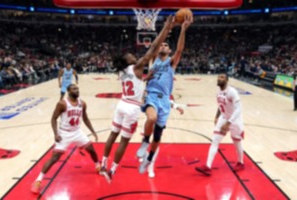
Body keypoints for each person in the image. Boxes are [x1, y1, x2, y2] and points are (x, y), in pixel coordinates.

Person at [100, 16, 177, 183]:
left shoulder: (122, 71)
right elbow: (155, 46)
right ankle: (112, 170)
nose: (134, 56)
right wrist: (166, 28)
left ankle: (103, 162)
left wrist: (145, 79)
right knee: (124, 141)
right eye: (131, 55)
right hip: (132, 108)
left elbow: (135, 82)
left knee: (113, 134)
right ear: (129, 61)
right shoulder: (137, 66)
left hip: (121, 104)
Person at [137, 16, 192, 174]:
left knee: (158, 136)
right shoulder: (153, 60)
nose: (163, 45)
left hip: (165, 101)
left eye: (166, 45)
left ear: (169, 50)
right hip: (152, 97)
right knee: (151, 118)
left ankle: (149, 159)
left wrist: (182, 29)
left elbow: (180, 49)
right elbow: (154, 46)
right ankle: (144, 142)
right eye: (162, 44)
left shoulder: (171, 62)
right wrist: (167, 27)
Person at [31, 84, 99, 193]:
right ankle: (38, 180)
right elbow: (53, 119)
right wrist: (56, 134)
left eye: (78, 88)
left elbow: (85, 118)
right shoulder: (62, 103)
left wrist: (93, 131)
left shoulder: (82, 103)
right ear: (68, 91)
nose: (77, 90)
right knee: (54, 158)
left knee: (91, 149)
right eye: (74, 89)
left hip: (77, 132)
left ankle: (98, 166)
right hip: (64, 133)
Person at [195, 73, 245, 176]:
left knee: (237, 143)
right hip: (224, 118)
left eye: (222, 77)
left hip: (235, 120)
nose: (219, 79)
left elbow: (239, 109)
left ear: (227, 80)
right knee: (215, 141)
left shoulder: (232, 92)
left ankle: (240, 162)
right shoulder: (218, 92)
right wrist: (217, 116)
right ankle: (208, 167)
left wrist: (228, 123)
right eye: (218, 77)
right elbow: (221, 105)